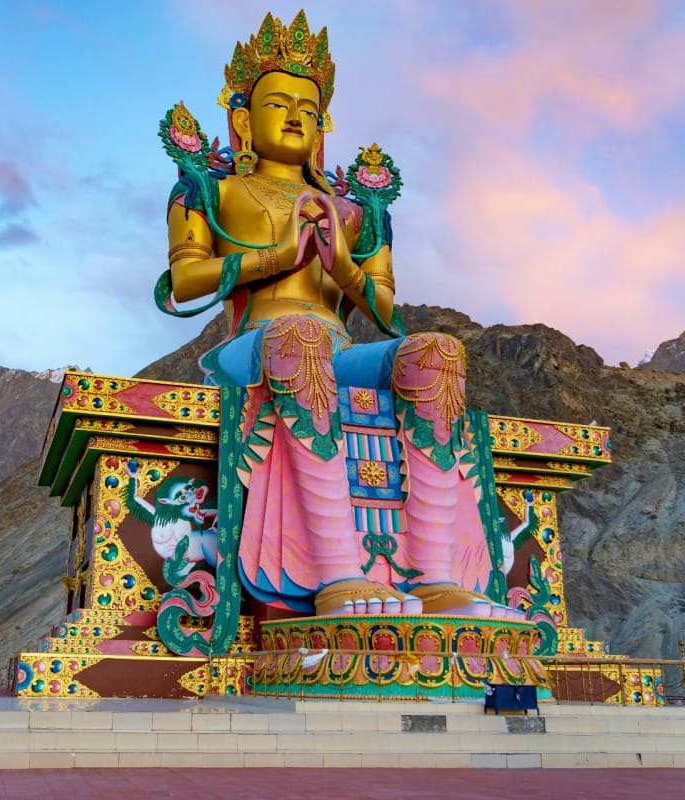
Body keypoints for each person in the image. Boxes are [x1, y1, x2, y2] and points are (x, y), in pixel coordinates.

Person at [155, 12, 518, 653]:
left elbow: (386, 311)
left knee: (437, 354)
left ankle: (434, 576)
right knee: (300, 339)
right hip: (257, 342)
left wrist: (341, 262)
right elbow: (184, 282)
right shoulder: (213, 191)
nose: (296, 117)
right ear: (244, 119)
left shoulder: (354, 211)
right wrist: (278, 258)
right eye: (278, 104)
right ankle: (335, 571)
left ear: (324, 124)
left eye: (309, 108)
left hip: (338, 349)